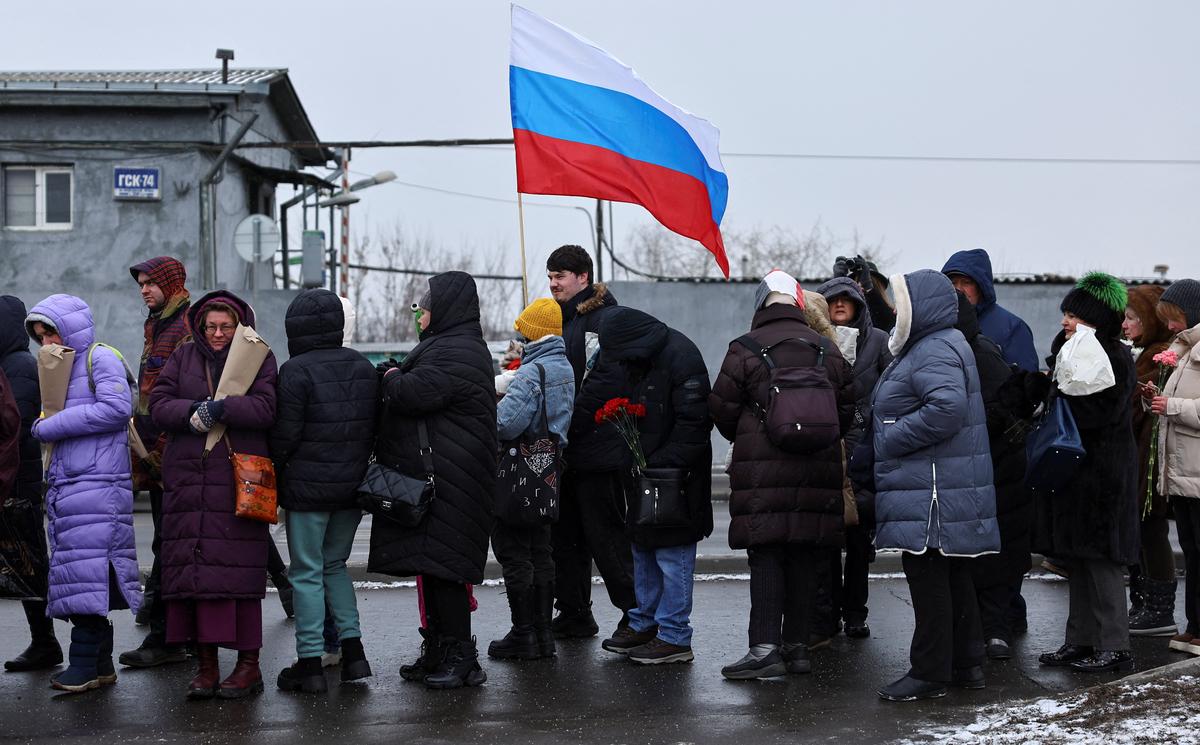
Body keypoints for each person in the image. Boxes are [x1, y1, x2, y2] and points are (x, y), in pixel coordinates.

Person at [709, 273, 853, 679]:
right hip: (817, 467)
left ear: (760, 305)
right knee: (806, 552)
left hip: (762, 468)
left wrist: (755, 432)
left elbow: (720, 408)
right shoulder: (827, 348)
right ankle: (798, 649)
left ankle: (764, 650)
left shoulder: (745, 348)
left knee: (768, 554)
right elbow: (847, 409)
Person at [870, 271, 999, 702]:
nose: (894, 310)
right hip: (938, 484)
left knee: (928, 579)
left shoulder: (934, 347)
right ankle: (966, 663)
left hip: (933, 491)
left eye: (900, 302)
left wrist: (889, 435)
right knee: (952, 575)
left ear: (920, 306)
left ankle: (929, 671)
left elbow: (946, 409)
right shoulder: (941, 343)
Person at [1004, 273, 1139, 673]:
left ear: (1094, 318)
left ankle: (1114, 644)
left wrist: (1057, 392)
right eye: (1065, 312)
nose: (1065, 320)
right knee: (1078, 560)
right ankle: (1079, 640)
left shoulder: (1111, 355)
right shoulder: (1072, 350)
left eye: (1074, 314)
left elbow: (1100, 413)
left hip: (1103, 476)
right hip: (1076, 474)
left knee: (1103, 561)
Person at [368, 271, 497, 689]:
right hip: (445, 476)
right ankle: (440, 650)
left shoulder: (457, 350)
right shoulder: (450, 346)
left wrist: (389, 377)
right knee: (434, 567)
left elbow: (414, 393)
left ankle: (462, 658)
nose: (419, 311)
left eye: (424, 304)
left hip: (452, 479)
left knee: (446, 571)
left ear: (445, 308)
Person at [151, 290, 278, 699]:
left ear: (239, 325)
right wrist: (193, 412)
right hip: (189, 483)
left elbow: (266, 408)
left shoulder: (259, 355)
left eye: (226, 326)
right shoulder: (183, 357)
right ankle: (206, 667)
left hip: (237, 483)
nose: (219, 333)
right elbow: (158, 404)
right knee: (194, 581)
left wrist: (222, 409)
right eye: (211, 326)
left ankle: (248, 667)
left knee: (239, 581)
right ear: (200, 327)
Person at [24, 295, 142, 693]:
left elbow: (115, 408)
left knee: (87, 578)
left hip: (98, 486)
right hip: (71, 488)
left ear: (71, 328)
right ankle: (101, 665)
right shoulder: (60, 368)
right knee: (81, 578)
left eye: (51, 332)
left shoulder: (100, 358)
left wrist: (50, 425)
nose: (46, 343)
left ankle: (83, 665)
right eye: (39, 337)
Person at [270, 289, 378, 693]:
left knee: (306, 573)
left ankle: (310, 663)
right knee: (335, 568)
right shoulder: (362, 367)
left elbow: (284, 437)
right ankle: (354, 655)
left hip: (306, 493)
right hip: (351, 491)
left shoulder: (295, 371)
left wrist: (276, 476)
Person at [596, 307, 713, 665]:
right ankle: (644, 624)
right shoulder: (640, 358)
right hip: (644, 473)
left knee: (671, 554)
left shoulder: (680, 356)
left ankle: (675, 635)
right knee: (642, 548)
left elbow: (695, 425)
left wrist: (657, 464)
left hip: (677, 478)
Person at [546, 245, 637, 639]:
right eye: (550, 277)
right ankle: (574, 612)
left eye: (560, 276)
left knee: (607, 538)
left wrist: (567, 422)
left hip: (598, 449)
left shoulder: (603, 321)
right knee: (565, 538)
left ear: (583, 277)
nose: (553, 284)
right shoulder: (561, 324)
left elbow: (603, 383)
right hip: (567, 452)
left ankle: (636, 614)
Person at [488, 298, 575, 661]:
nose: (519, 336)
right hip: (549, 472)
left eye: (523, 330)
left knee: (514, 552)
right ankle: (543, 633)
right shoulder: (564, 367)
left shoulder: (531, 372)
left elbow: (505, 423)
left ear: (534, 332)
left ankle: (523, 633)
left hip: (517, 474)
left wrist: (493, 401)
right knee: (541, 549)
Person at [119, 256, 193, 668]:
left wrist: (161, 450)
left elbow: (181, 394)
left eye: (150, 283)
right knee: (166, 543)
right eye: (141, 284)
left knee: (171, 545)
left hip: (172, 454)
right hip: (154, 453)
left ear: (170, 282)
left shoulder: (184, 325)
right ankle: (168, 630)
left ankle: (168, 639)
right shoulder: (157, 323)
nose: (144, 289)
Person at [952, 291, 1032, 661]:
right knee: (991, 552)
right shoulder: (976, 348)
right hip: (994, 468)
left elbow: (1002, 410)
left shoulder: (976, 354)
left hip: (995, 469)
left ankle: (994, 629)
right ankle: (992, 629)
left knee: (993, 554)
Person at [816, 276, 894, 641]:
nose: (841, 304)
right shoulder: (816, 342)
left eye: (848, 299)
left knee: (860, 541)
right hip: (828, 451)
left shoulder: (878, 341)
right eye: (834, 300)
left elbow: (891, 387)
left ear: (859, 306)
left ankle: (856, 613)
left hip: (865, 452)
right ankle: (829, 611)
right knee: (829, 541)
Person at [0, 296, 61, 672]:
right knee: (23, 565)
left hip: (18, 485)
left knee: (28, 565)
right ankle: (44, 642)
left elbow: (16, 425)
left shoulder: (19, 366)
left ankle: (45, 643)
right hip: (14, 482)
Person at [1147, 279, 1200, 654]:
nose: (1168, 326)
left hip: (1196, 472)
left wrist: (1173, 407)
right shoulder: (1183, 350)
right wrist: (1159, 397)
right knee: (1193, 555)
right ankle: (1193, 626)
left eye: (1174, 318)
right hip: (1183, 473)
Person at [1123, 285, 1177, 636]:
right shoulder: (1143, 352)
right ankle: (1143, 601)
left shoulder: (1160, 356)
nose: (1125, 324)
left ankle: (1159, 608)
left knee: (1152, 529)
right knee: (1141, 531)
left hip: (1149, 458)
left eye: (1132, 317)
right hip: (1139, 456)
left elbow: (1137, 408)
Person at [941, 248, 1040, 373]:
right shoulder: (939, 325)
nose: (958, 289)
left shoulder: (1013, 327)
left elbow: (1026, 382)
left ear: (981, 286)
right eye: (952, 282)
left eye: (966, 282)